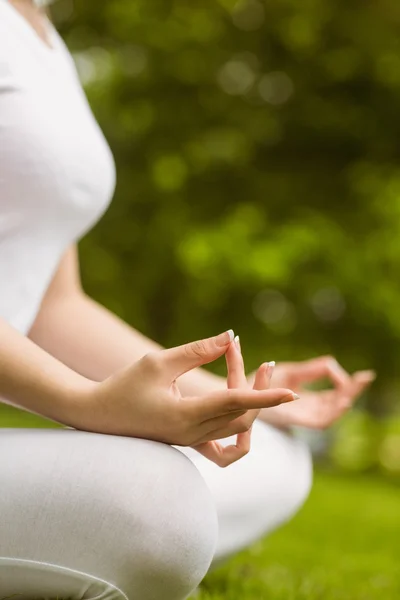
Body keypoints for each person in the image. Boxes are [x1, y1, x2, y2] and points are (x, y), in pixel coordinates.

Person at [0, 1, 376, 598]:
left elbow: (54, 305)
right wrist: (86, 403)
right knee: (160, 503)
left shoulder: (44, 39)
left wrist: (225, 396)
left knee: (274, 457)